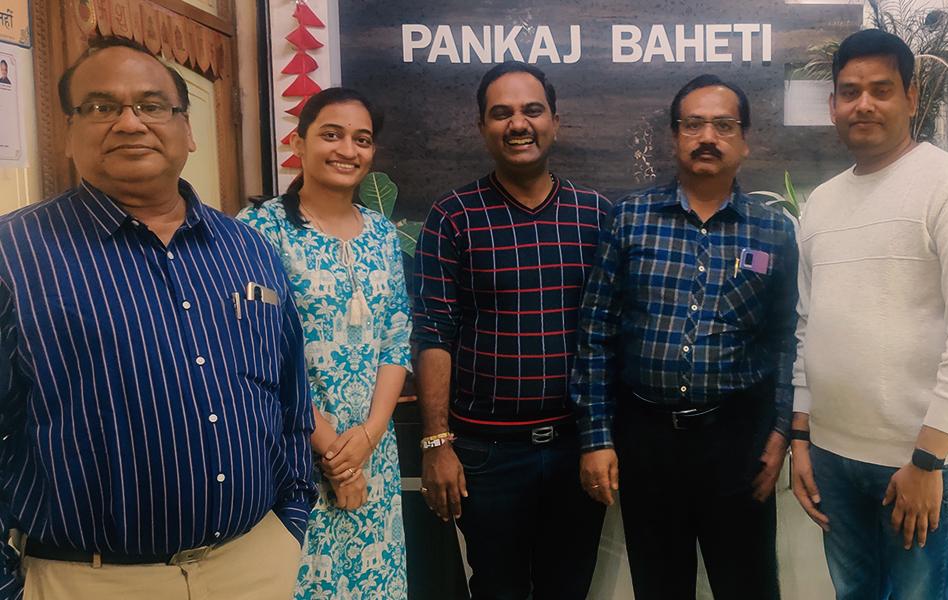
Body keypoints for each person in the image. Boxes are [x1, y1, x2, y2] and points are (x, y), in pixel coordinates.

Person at [0, 36, 315, 600]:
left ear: (186, 129)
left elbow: (290, 393)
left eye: (151, 105)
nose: (129, 123)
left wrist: (290, 519)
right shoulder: (14, 254)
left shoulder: (249, 248)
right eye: (101, 106)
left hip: (254, 565)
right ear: (68, 133)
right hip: (89, 580)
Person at [789, 29, 948, 599]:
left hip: (916, 464)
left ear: (911, 96)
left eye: (881, 90)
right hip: (832, 458)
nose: (863, 104)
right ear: (833, 105)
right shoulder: (821, 202)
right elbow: (807, 327)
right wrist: (801, 439)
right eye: (849, 92)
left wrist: (927, 461)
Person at [572, 74, 798, 599]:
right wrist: (596, 437)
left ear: (745, 140)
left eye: (724, 125)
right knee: (660, 586)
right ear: (674, 137)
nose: (708, 137)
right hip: (647, 440)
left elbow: (787, 337)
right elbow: (596, 331)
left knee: (748, 586)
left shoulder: (773, 231)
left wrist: (781, 430)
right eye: (693, 125)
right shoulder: (631, 218)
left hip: (737, 441)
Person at [412, 61, 610, 599]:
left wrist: (605, 438)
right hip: (486, 455)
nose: (518, 124)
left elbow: (609, 332)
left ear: (555, 122)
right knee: (497, 591)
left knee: (568, 590)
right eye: (501, 113)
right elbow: (433, 332)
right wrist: (436, 443)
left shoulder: (596, 215)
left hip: (575, 449)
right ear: (482, 127)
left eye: (532, 110)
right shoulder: (453, 216)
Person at [238, 87, 411, 599]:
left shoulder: (382, 233)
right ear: (299, 142)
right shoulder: (257, 232)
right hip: (294, 455)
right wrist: (334, 453)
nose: (347, 150)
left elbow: (396, 339)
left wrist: (369, 436)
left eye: (362, 139)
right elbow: (256, 352)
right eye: (331, 135)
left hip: (372, 455)